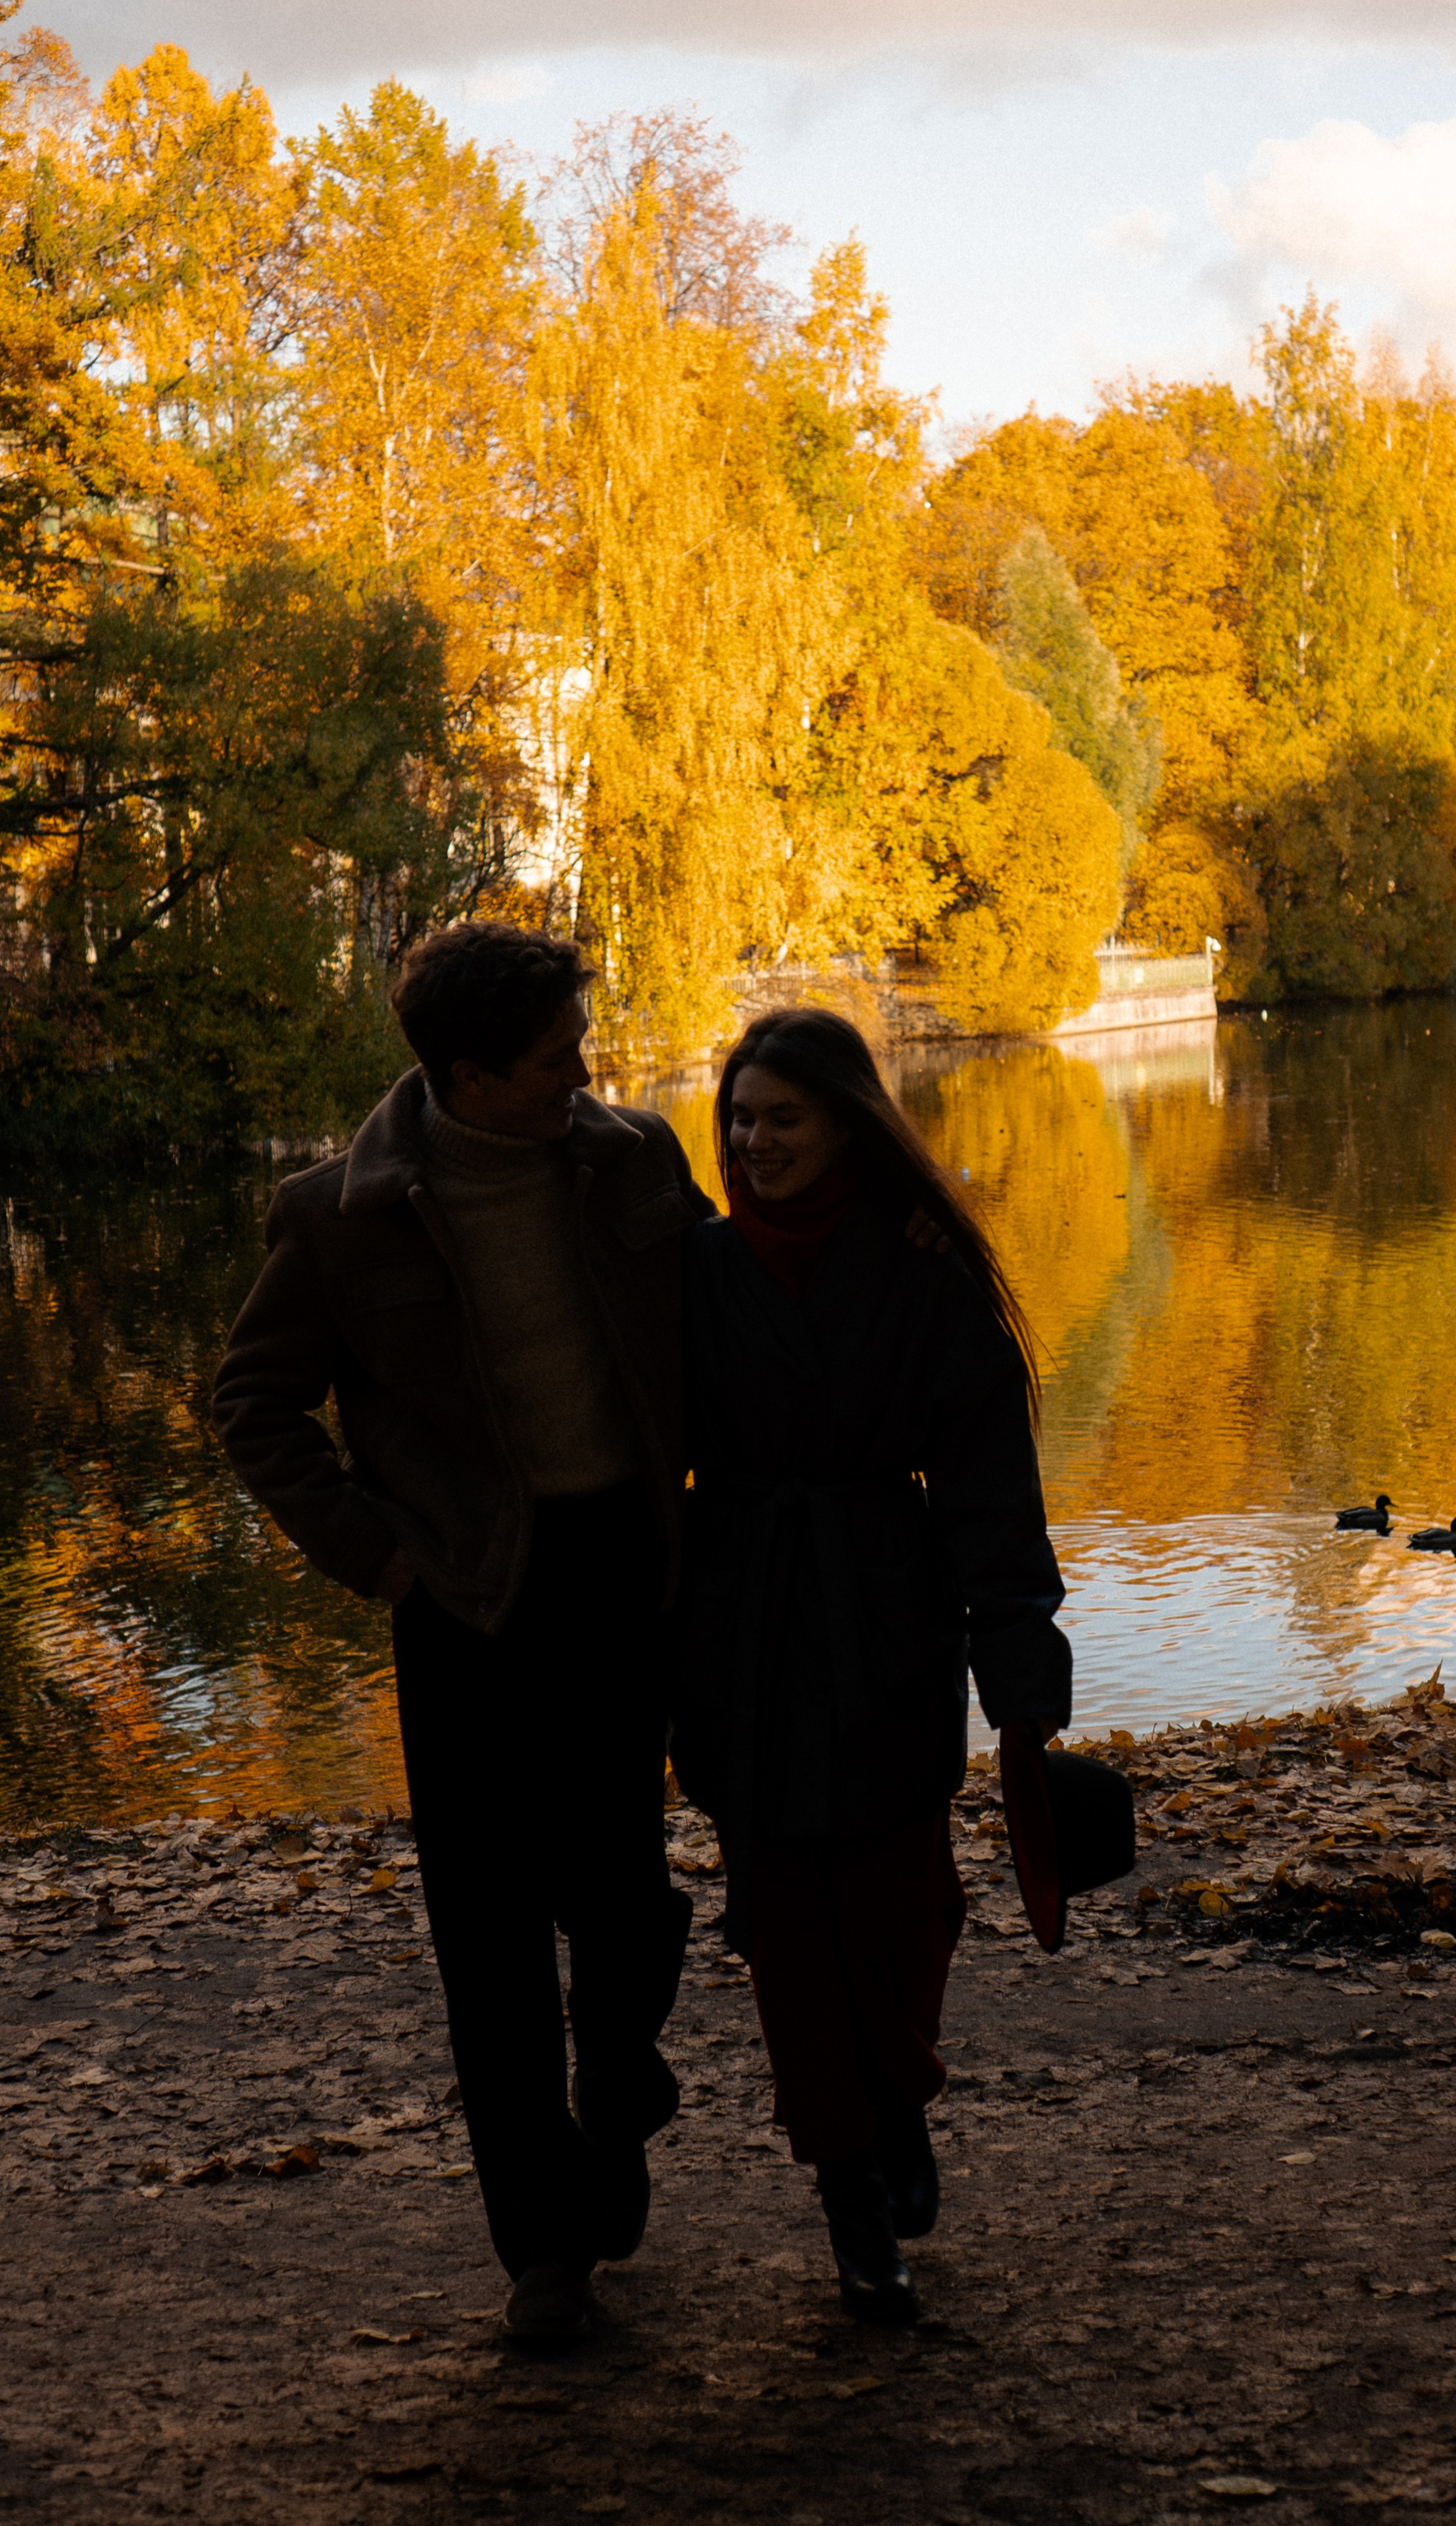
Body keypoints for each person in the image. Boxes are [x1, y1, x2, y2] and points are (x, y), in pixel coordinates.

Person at [212, 922, 712, 2346]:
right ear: (469, 1075)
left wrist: (894, 1233)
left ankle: (616, 2083)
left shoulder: (635, 1159)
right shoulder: (338, 1218)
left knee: (622, 1901)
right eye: (555, 1059)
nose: (584, 1075)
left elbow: (734, 1308)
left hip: (624, 1576)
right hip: (466, 1602)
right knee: (488, 1938)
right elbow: (254, 1407)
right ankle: (544, 2254)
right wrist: (379, 1559)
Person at [670, 1007, 1071, 2325]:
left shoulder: (922, 1269)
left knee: (908, 1908)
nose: (754, 1141)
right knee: (789, 1927)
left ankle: (896, 2105)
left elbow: (987, 1486)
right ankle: (850, 2193)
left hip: (891, 1622)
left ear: (847, 1121)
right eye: (739, 1117)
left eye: (782, 1117)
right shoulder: (694, 1270)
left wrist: (1021, 1675)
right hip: (742, 1635)